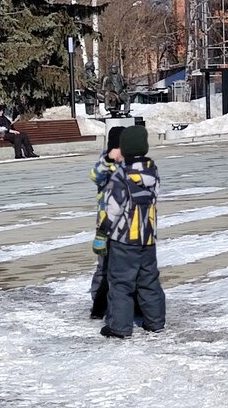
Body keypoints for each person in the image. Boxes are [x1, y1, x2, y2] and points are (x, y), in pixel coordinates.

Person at [96, 124, 165, 338]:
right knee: (149, 280)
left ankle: (119, 327)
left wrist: (101, 234)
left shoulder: (121, 175)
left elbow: (112, 208)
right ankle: (155, 321)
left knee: (120, 283)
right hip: (148, 237)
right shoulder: (152, 170)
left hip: (124, 239)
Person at [88, 126, 124, 320]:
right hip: (106, 226)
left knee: (127, 267)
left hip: (127, 225)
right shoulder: (105, 163)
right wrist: (110, 158)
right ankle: (98, 305)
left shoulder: (131, 162)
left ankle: (126, 304)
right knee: (104, 266)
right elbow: (95, 175)